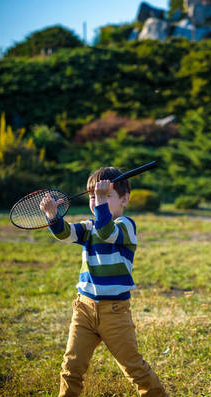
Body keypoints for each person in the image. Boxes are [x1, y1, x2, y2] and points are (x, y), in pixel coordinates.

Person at [40, 167, 168, 397]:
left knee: (134, 368)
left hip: (115, 312)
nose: (97, 201)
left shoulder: (126, 226)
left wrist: (99, 203)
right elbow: (65, 233)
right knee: (71, 367)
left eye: (106, 195)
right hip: (84, 309)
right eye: (92, 196)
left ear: (125, 199)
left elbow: (107, 231)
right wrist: (52, 215)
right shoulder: (89, 227)